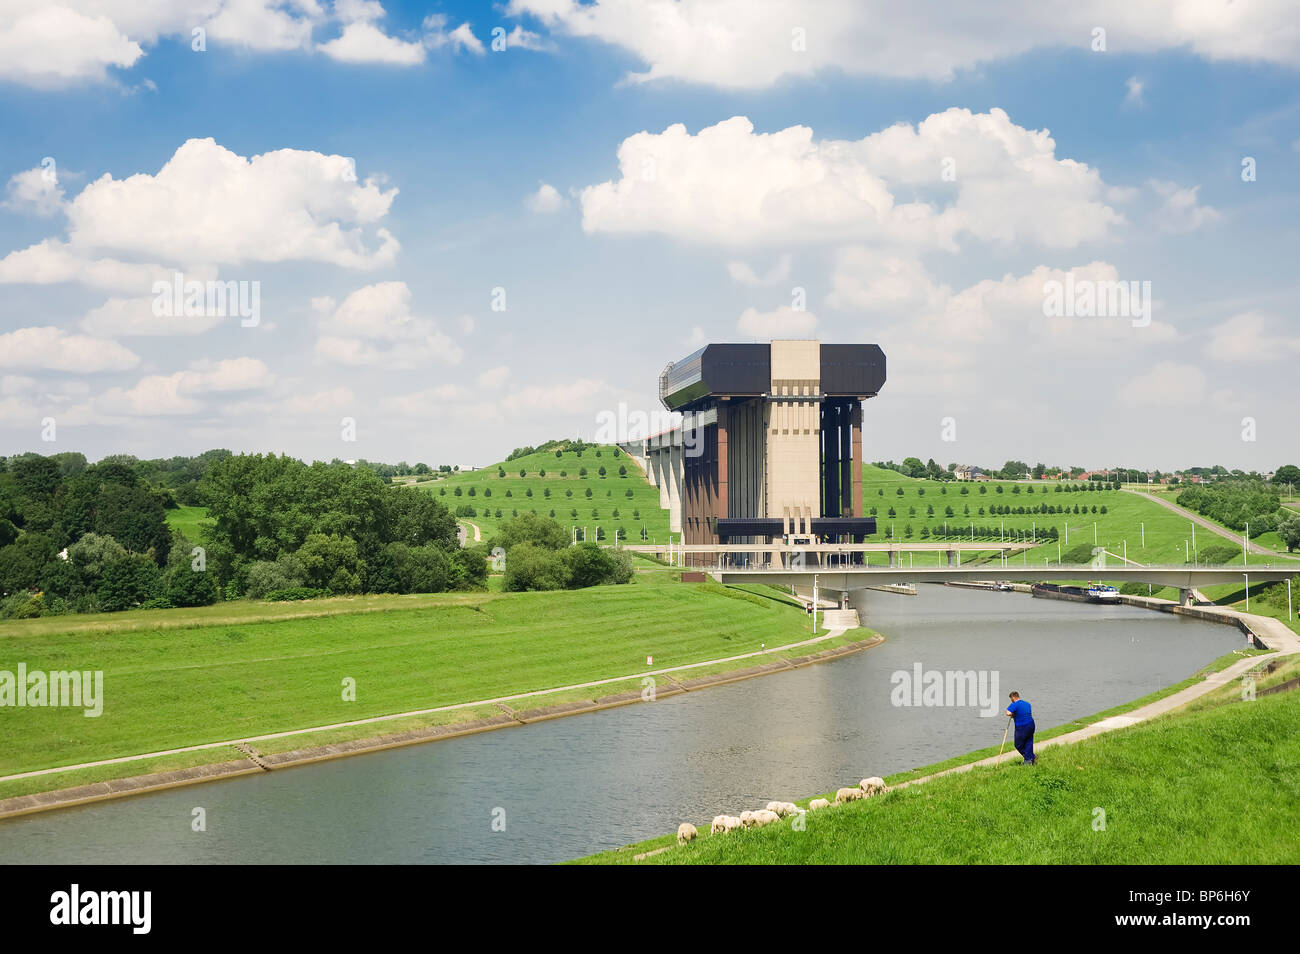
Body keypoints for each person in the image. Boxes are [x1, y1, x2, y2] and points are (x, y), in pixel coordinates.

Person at [1005, 691, 1036, 765]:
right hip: (1031, 724)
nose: (1011, 701)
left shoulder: (1015, 704)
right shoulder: (1027, 703)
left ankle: (1029, 759)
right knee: (1029, 742)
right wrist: (1016, 714)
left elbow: (1007, 713)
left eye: (1011, 699)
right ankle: (1031, 758)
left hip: (1022, 726)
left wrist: (1013, 714)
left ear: (1013, 698)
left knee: (1018, 744)